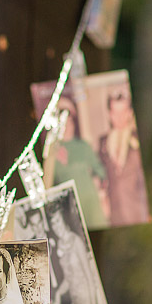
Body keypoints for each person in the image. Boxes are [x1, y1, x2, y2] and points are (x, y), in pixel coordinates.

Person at [47, 95, 110, 229]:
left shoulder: (83, 146)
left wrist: (100, 186)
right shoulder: (50, 151)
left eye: (69, 117)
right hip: (69, 213)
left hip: (91, 206)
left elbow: (101, 172)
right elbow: (48, 186)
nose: (66, 123)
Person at [48, 203, 101, 304]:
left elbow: (89, 276)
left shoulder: (76, 241)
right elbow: (68, 278)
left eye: (58, 221)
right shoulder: (60, 246)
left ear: (64, 220)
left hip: (87, 300)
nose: (56, 226)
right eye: (53, 223)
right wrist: (58, 293)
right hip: (76, 303)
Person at [97, 88, 149, 227]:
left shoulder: (139, 138)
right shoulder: (103, 142)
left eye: (123, 112)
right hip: (114, 216)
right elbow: (101, 174)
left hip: (138, 212)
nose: (119, 117)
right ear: (109, 114)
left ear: (130, 113)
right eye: (115, 112)